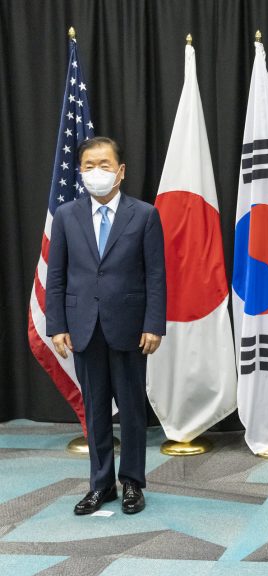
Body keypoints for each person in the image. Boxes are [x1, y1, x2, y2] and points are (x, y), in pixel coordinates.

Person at [45, 136, 166, 516]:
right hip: (83, 326)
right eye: (89, 166)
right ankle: (101, 485)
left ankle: (132, 483)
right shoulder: (66, 216)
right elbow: (57, 275)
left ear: (121, 171)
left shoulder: (144, 215)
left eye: (104, 165)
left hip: (129, 326)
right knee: (95, 410)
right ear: (80, 172)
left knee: (131, 410)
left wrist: (154, 324)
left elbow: (156, 275)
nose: (96, 172)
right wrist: (56, 325)